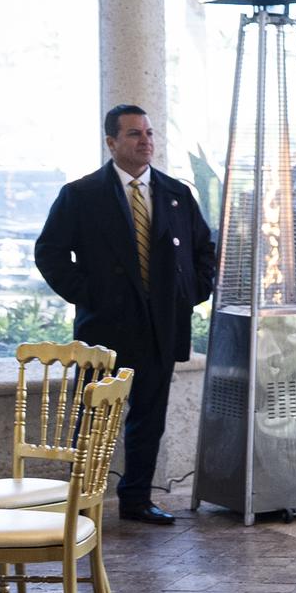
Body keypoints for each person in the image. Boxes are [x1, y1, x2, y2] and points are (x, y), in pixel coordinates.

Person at [33, 104, 216, 525]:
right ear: (111, 142)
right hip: (105, 329)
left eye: (149, 133)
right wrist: (90, 295)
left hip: (160, 328)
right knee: (93, 420)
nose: (146, 141)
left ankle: (137, 500)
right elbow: (50, 253)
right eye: (134, 134)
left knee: (149, 421)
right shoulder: (81, 195)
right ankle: (83, 501)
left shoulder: (175, 194)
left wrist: (190, 293)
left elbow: (204, 250)